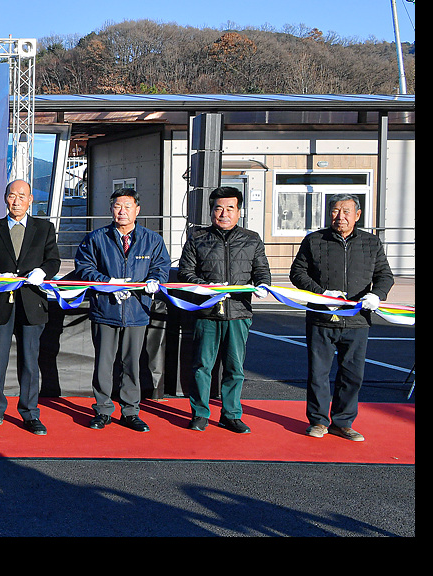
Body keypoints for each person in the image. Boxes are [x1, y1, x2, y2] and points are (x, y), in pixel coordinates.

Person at [289, 193, 393, 442]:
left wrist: (377, 295)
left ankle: (343, 422)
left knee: (352, 375)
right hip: (322, 318)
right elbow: (298, 273)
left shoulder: (371, 242)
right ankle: (318, 421)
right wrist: (321, 293)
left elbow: (384, 275)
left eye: (346, 211)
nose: (340, 217)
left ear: (358, 215)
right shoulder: (314, 240)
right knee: (318, 373)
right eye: (336, 211)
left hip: (357, 320)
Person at [72, 187, 170, 432]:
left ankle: (130, 411)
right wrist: (108, 283)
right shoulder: (96, 238)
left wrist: (155, 280)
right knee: (103, 364)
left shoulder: (152, 239)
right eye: (117, 206)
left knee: (131, 364)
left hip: (137, 311)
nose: (122, 211)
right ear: (111, 209)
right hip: (105, 309)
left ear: (137, 210)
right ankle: (103, 410)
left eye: (128, 206)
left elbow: (161, 266)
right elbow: (83, 267)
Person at [177, 186, 272, 434]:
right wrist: (205, 287)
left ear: (239, 211)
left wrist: (263, 285)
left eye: (230, 208)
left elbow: (262, 271)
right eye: (218, 208)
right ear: (211, 212)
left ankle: (231, 415)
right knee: (202, 366)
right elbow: (185, 273)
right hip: (206, 312)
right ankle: (200, 413)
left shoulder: (252, 239)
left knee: (234, 368)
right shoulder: (197, 238)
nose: (224, 213)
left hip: (239, 312)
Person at [0, 179, 61, 435]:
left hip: (32, 302)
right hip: (2, 303)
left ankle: (30, 413)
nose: (17, 201)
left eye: (22, 196)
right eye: (12, 195)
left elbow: (53, 261)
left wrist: (43, 272)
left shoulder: (44, 228)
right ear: (5, 198)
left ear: (31, 200)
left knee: (30, 361)